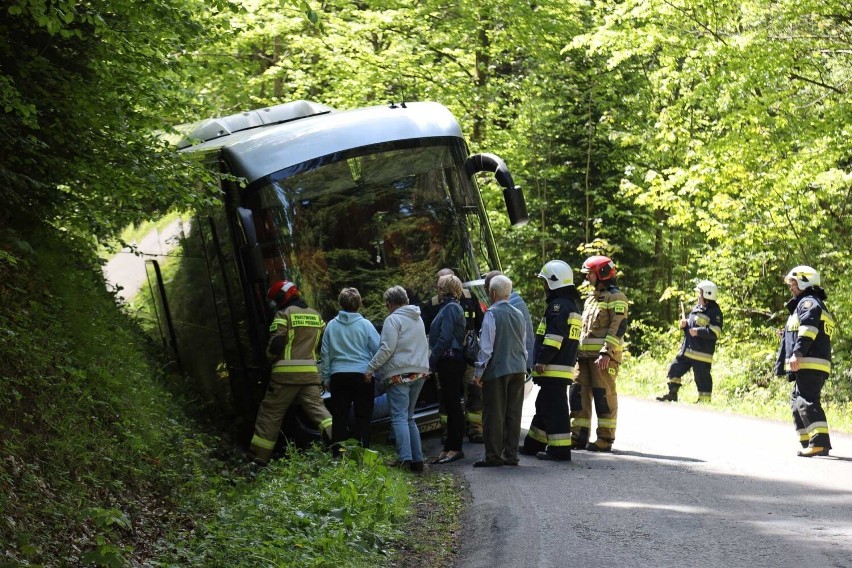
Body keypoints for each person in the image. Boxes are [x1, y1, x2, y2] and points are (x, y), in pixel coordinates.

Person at [249, 280, 332, 465]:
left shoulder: (283, 314)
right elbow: (319, 344)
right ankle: (340, 445)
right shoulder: (316, 316)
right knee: (320, 412)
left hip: (285, 378)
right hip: (310, 374)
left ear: (281, 297)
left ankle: (258, 459)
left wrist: (267, 358)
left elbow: (276, 344)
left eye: (275, 300)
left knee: (270, 414)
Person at [519, 260, 583, 461]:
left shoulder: (558, 306)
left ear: (553, 282)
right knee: (545, 404)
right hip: (561, 367)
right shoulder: (571, 305)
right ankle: (533, 444)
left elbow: (554, 337)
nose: (543, 286)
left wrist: (542, 360)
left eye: (545, 282)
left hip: (553, 367)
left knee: (555, 409)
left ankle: (560, 450)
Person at [365, 286, 431, 471]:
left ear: (390, 304)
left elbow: (386, 349)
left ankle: (404, 459)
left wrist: (371, 368)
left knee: (399, 418)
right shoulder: (417, 318)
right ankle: (417, 461)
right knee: (410, 417)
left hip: (399, 374)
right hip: (420, 372)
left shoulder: (392, 320)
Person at [775, 265, 834, 458]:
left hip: (810, 361)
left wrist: (797, 353)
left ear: (804, 281)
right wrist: (786, 336)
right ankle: (808, 441)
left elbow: (808, 331)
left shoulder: (808, 303)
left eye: (793, 282)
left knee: (806, 400)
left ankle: (819, 443)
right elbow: (802, 329)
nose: (791, 287)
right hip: (808, 361)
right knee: (797, 401)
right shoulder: (804, 304)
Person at [570, 255, 628, 453]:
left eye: (590, 274)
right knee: (578, 395)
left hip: (603, 358)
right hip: (584, 357)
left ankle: (605, 438)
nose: (587, 278)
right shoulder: (591, 298)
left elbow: (618, 327)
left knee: (604, 396)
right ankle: (578, 436)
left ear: (602, 274)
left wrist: (606, 352)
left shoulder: (616, 298)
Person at [422, 268, 485, 443]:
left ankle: (475, 429)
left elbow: (480, 323)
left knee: (473, 391)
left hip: (467, 356)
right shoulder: (433, 304)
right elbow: (427, 331)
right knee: (446, 396)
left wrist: (432, 359)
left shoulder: (469, 298)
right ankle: (448, 432)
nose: (439, 288)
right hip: (451, 356)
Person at [472, 274, 528, 467]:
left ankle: (493, 456)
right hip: (518, 368)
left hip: (498, 370)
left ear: (493, 293)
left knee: (494, 413)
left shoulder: (491, 314)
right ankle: (511, 455)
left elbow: (486, 348)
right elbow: (522, 343)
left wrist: (479, 372)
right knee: (514, 412)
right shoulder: (518, 314)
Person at [321, 287, 381, 457]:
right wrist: (372, 368)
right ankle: (363, 453)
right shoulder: (365, 325)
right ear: (359, 304)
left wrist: (326, 377)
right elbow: (378, 348)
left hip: (338, 376)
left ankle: (338, 455)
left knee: (339, 417)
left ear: (340, 303)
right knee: (364, 416)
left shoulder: (331, 326)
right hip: (362, 375)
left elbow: (325, 353)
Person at [656, 280, 723, 403]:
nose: (698, 296)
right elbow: (691, 327)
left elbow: (715, 332)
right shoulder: (697, 308)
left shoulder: (715, 312)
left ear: (708, 294)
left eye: (700, 293)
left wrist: (698, 331)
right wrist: (684, 325)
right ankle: (672, 395)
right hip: (687, 350)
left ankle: (704, 402)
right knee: (674, 368)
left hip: (701, 354)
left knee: (702, 379)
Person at [428, 274, 468, 464]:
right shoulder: (449, 307)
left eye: (439, 286)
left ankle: (455, 448)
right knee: (449, 404)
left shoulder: (451, 308)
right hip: (448, 360)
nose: (437, 288)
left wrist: (432, 358)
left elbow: (445, 337)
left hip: (450, 360)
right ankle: (448, 448)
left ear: (445, 288)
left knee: (453, 405)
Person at [484, 270, 535, 371]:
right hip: (521, 364)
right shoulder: (517, 301)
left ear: (493, 289)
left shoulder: (504, 308)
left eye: (486, 288)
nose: (486, 292)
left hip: (511, 367)